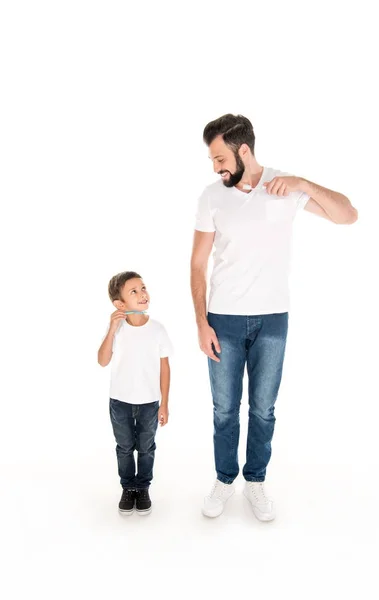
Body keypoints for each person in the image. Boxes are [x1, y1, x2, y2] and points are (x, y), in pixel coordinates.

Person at [190, 114, 358, 521]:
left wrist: (302, 184)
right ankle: (224, 480)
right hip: (223, 319)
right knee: (224, 409)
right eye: (213, 161)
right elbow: (198, 264)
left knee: (263, 409)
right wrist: (201, 322)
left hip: (272, 320)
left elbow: (347, 215)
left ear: (243, 149)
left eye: (219, 158)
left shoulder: (284, 187)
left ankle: (256, 483)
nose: (216, 168)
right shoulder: (212, 197)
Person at [98, 271, 173, 515]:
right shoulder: (117, 330)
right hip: (120, 401)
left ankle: (143, 487)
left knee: (146, 446)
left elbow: (164, 368)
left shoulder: (158, 330)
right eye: (134, 291)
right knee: (124, 446)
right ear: (120, 304)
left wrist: (164, 404)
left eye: (143, 288)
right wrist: (111, 329)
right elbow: (102, 360)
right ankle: (128, 487)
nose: (142, 294)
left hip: (150, 402)